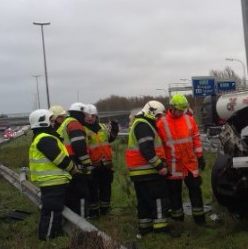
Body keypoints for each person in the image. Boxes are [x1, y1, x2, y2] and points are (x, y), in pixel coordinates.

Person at [126, 100, 176, 237]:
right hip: (149, 171)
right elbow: (147, 150)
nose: (160, 118)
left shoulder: (140, 123)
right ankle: (160, 227)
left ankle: (145, 228)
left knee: (143, 200)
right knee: (159, 198)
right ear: (152, 112)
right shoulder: (144, 125)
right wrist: (160, 166)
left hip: (139, 171)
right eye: (159, 115)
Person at [157, 94, 207, 225]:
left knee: (196, 191)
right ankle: (178, 221)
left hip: (190, 163)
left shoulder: (189, 120)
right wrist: (161, 163)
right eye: (179, 110)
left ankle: (200, 220)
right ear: (172, 108)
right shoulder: (162, 123)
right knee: (174, 195)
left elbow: (195, 138)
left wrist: (200, 156)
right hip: (173, 166)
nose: (181, 113)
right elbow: (159, 145)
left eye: (183, 110)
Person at [28, 109, 77, 241]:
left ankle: (54, 233)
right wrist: (71, 167)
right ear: (43, 122)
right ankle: (48, 238)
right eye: (51, 120)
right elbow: (58, 158)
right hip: (53, 181)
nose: (54, 123)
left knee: (54, 211)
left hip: (52, 181)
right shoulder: (45, 139)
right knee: (51, 212)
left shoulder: (43, 137)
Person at [57, 102, 93, 217]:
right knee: (81, 194)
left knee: (71, 195)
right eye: (84, 115)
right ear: (79, 113)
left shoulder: (65, 123)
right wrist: (87, 163)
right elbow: (79, 146)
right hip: (76, 165)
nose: (86, 118)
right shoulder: (75, 124)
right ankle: (82, 223)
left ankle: (72, 221)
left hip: (66, 164)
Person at [83, 104, 119, 216]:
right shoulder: (82, 129)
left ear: (96, 116)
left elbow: (110, 139)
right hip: (93, 165)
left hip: (106, 164)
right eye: (87, 116)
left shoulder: (102, 127)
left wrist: (115, 130)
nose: (90, 118)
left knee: (106, 188)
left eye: (92, 116)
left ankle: (106, 209)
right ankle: (94, 212)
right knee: (93, 190)